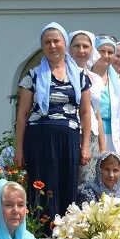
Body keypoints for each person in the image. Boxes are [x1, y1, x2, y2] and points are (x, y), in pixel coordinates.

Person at [14, 22, 94, 221]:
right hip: (39, 139)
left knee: (66, 185)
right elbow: (22, 114)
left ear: (64, 43)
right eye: (47, 42)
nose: (52, 46)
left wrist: (85, 146)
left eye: (56, 41)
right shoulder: (32, 76)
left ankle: (65, 234)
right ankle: (41, 233)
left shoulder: (80, 76)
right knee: (42, 186)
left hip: (69, 138)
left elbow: (85, 112)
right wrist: (18, 149)